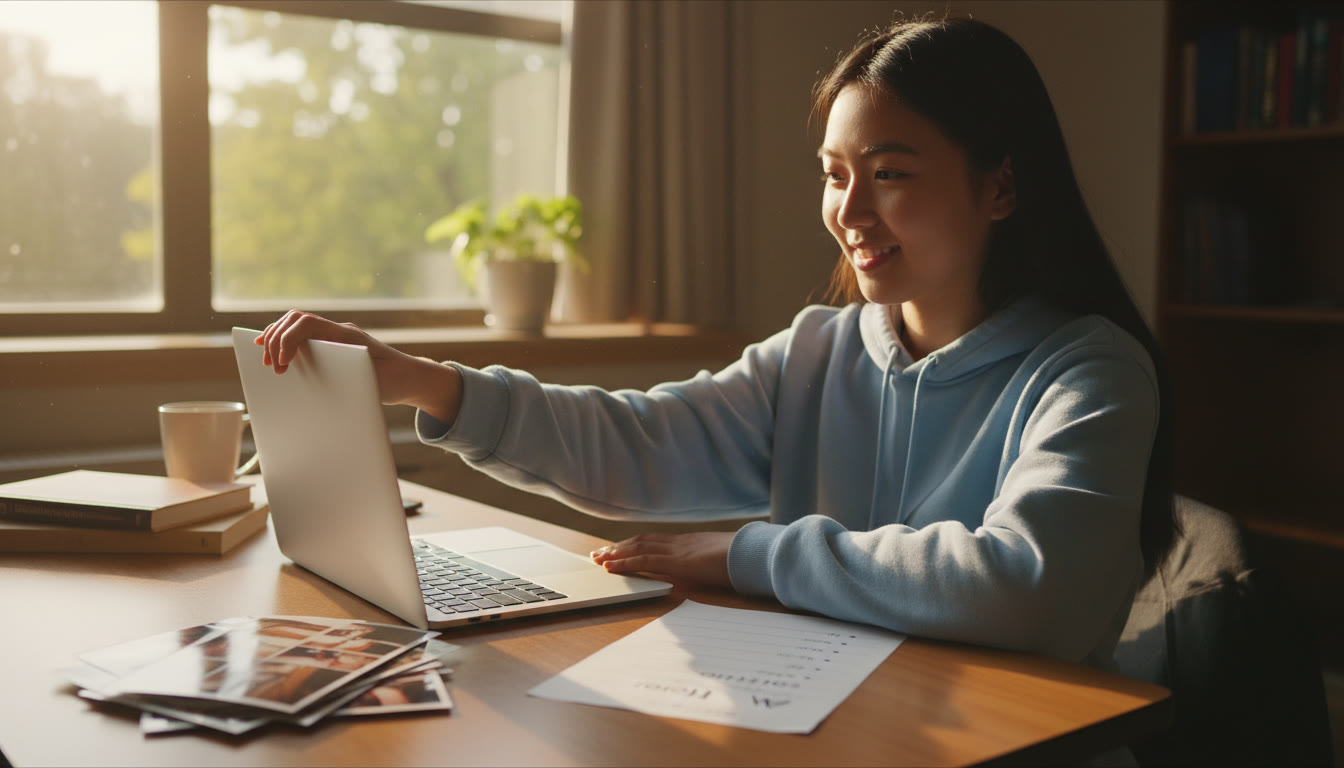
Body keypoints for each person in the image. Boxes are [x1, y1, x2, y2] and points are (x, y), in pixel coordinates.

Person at [258, 15, 1173, 672]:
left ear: (1001, 188)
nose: (850, 213)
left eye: (890, 175)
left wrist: (747, 552)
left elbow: (1026, 587)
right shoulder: (818, 351)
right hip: (836, 717)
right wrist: (426, 382)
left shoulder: (1088, 372)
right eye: (834, 176)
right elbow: (635, 445)